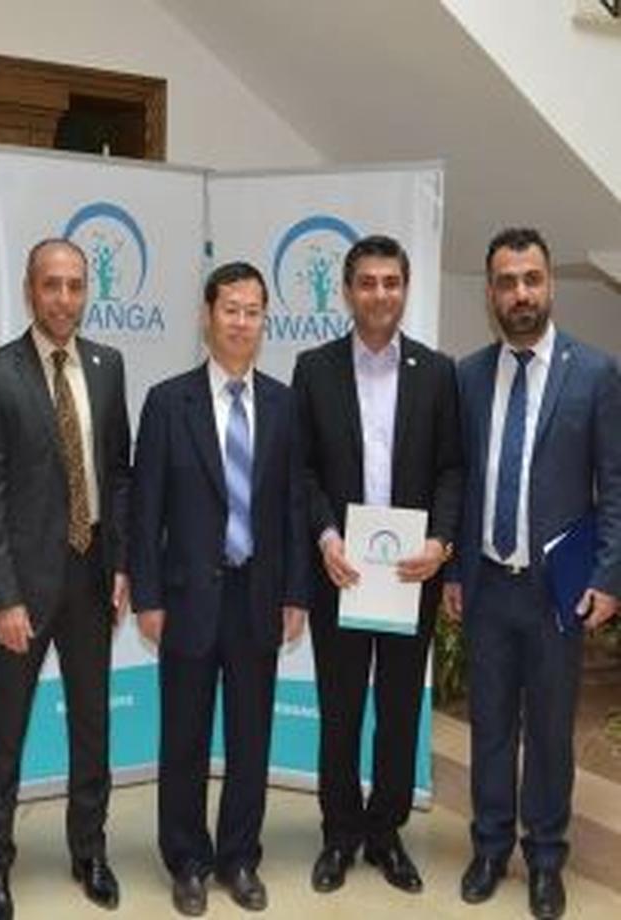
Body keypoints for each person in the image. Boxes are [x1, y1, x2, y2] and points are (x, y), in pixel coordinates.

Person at [443, 228, 621, 920]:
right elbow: (460, 480)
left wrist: (608, 576)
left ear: (550, 285)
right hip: (487, 585)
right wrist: (455, 569)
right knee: (489, 725)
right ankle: (490, 847)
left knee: (549, 731)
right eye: (507, 281)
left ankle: (546, 857)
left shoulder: (595, 373)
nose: (520, 293)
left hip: (558, 593)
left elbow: (615, 483)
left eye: (532, 279)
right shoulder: (468, 375)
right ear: (491, 293)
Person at [130, 261, 309, 916]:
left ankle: (239, 857)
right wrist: (148, 597)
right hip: (186, 599)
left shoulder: (285, 404)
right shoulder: (167, 402)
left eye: (252, 311)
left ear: (265, 321)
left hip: (257, 596)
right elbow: (145, 511)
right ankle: (188, 860)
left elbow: (294, 508)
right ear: (207, 316)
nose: (241, 322)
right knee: (183, 737)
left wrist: (297, 593)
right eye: (230, 309)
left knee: (250, 738)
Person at [292, 234, 462, 895]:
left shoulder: (437, 372)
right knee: (339, 709)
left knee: (397, 709)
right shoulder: (315, 368)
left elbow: (452, 469)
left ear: (405, 289)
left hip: (411, 576)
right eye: (367, 282)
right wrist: (325, 535)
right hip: (342, 571)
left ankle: (386, 833)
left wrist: (441, 543)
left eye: (391, 282)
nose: (380, 294)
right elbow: (302, 469)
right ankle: (339, 834)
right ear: (347, 291)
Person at [0, 238, 130, 920]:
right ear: (30, 290)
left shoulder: (107, 365)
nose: (64, 298)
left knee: (92, 724)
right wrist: (3, 596)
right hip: (24, 587)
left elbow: (118, 475)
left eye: (75, 285)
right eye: (51, 285)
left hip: (92, 576)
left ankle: (89, 849)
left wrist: (122, 563)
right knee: (6, 727)